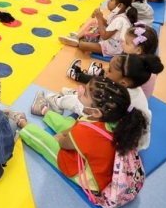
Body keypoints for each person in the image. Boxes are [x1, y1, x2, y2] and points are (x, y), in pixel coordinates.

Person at [8, 76, 147, 194]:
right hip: (99, 163)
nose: (79, 92)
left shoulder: (86, 133)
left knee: (47, 143)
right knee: (71, 123)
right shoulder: (115, 118)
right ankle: (44, 110)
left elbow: (64, 144)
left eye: (84, 94)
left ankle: (22, 123)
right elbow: (79, 127)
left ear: (97, 112)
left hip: (90, 179)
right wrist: (66, 134)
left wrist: (60, 138)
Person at [38, 53, 162, 151]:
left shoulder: (118, 98)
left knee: (80, 103)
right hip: (128, 136)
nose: (106, 71)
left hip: (119, 143)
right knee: (86, 99)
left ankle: (58, 102)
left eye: (110, 70)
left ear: (124, 82)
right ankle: (77, 95)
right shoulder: (129, 90)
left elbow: (91, 112)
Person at [59, 0, 138, 57]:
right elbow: (108, 25)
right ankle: (77, 37)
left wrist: (100, 19)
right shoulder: (117, 13)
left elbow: (104, 36)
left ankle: (81, 39)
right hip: (110, 39)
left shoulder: (120, 19)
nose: (108, 2)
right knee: (93, 24)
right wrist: (98, 16)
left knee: (83, 46)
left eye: (111, 0)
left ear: (120, 5)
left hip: (114, 47)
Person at [122, 24, 161, 98]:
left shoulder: (136, 67)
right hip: (141, 99)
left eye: (126, 43)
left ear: (138, 50)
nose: (123, 43)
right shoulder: (148, 62)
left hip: (133, 101)